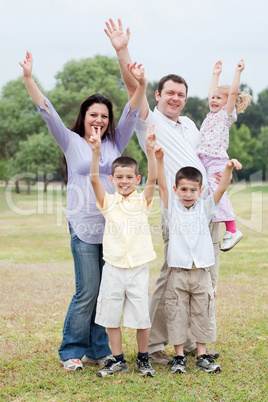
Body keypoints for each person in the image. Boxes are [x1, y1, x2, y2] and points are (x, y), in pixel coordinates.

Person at [104, 18, 220, 364]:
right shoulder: (148, 120)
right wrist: (122, 50)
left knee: (203, 276)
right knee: (170, 277)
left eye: (181, 95)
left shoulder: (188, 124)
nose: (176, 98)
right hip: (175, 209)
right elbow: (131, 88)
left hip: (202, 207)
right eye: (169, 92)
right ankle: (154, 345)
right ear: (157, 95)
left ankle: (198, 342)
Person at [19, 51, 142, 371]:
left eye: (104, 115)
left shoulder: (117, 140)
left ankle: (98, 349)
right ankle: (72, 349)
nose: (99, 120)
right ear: (84, 116)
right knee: (87, 290)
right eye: (93, 114)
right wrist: (29, 79)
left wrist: (141, 84)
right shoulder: (70, 140)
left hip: (113, 229)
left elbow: (133, 109)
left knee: (106, 291)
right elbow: (46, 111)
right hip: (83, 227)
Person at [155, 144, 242, 373]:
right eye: (183, 189)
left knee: (202, 312)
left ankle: (202, 355)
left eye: (193, 190)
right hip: (179, 273)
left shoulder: (205, 208)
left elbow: (222, 188)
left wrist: (228, 167)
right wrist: (160, 160)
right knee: (176, 313)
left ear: (200, 191)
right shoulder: (171, 209)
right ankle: (179, 357)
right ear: (176, 190)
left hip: (202, 272)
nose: (188, 194)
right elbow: (162, 186)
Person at [89, 118, 157, 377]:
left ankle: (143, 358)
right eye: (119, 177)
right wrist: (96, 152)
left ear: (136, 179)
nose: (124, 181)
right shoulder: (107, 202)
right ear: (113, 179)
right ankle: (117, 359)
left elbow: (153, 177)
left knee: (141, 317)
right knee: (110, 316)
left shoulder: (143, 201)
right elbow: (94, 179)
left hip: (138, 268)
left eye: (129, 177)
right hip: (114, 268)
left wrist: (150, 151)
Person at [197, 60, 252, 252]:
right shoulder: (211, 114)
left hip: (217, 159)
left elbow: (233, 93)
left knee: (217, 188)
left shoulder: (226, 114)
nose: (213, 100)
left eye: (219, 98)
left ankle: (232, 229)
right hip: (203, 160)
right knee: (205, 190)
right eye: (212, 98)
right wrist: (215, 74)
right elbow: (213, 91)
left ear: (227, 102)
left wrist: (237, 73)